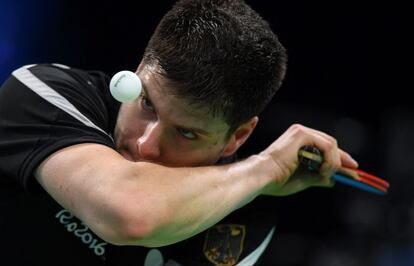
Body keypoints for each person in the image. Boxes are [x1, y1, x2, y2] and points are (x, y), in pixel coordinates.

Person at [0, 0, 358, 265]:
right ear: (140, 70)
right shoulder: (44, 93)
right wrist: (267, 167)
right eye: (147, 105)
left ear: (238, 137)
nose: (145, 145)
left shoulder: (244, 218)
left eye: (186, 134)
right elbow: (132, 214)